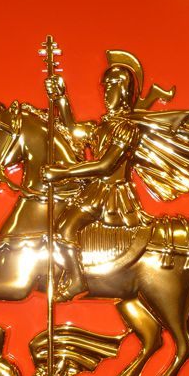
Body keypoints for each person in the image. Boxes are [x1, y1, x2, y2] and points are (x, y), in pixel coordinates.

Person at [43, 57, 145, 301]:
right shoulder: (102, 126)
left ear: (125, 91)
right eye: (105, 87)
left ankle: (77, 279)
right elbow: (73, 130)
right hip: (95, 189)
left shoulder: (127, 129)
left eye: (113, 86)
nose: (107, 93)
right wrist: (60, 97)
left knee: (65, 227)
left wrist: (63, 173)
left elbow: (106, 165)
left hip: (111, 192)